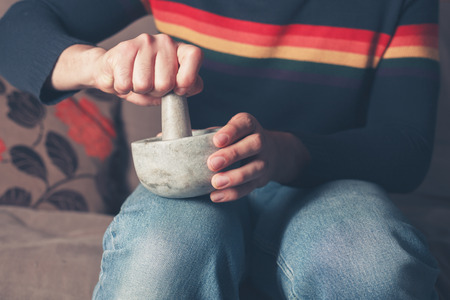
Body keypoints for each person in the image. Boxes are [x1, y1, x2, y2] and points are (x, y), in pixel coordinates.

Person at [0, 0, 441, 298]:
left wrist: (286, 153)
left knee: (371, 262)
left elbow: (406, 147)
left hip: (329, 183)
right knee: (164, 250)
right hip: (194, 186)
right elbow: (15, 31)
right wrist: (99, 66)